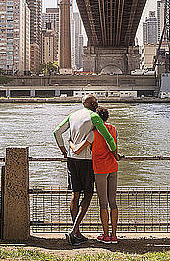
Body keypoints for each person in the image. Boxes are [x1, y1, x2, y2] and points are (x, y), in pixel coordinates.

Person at [53, 94, 118, 245]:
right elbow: (108, 137)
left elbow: (56, 132)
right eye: (95, 102)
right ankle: (73, 231)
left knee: (75, 195)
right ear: (93, 104)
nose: (97, 103)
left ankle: (77, 233)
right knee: (88, 195)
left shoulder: (72, 115)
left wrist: (64, 150)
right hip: (86, 160)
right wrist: (115, 154)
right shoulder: (94, 117)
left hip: (71, 159)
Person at [69, 106, 120, 244]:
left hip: (100, 170)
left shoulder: (93, 133)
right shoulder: (113, 129)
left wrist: (71, 143)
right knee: (113, 202)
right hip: (113, 167)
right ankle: (114, 235)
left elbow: (78, 150)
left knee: (103, 203)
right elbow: (113, 145)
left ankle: (105, 235)